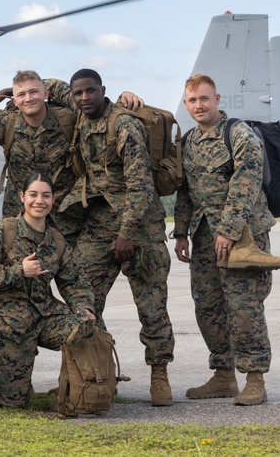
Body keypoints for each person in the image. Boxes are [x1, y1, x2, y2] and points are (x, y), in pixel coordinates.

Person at [47, 69, 176, 406]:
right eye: (78, 93)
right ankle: (97, 373)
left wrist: (127, 234)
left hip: (140, 227)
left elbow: (141, 185)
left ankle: (159, 375)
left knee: (152, 306)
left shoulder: (124, 125)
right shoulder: (78, 109)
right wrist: (11, 89)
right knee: (84, 298)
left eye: (90, 91)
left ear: (103, 90)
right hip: (100, 222)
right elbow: (52, 86)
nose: (84, 98)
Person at [174, 74, 280, 406]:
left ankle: (255, 378)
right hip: (203, 235)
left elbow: (246, 181)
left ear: (217, 99)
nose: (199, 105)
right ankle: (224, 375)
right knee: (207, 306)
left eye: (204, 98)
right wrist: (180, 232)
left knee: (244, 306)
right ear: (186, 104)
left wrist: (229, 229)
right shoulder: (189, 141)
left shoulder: (238, 133)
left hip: (243, 236)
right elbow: (185, 191)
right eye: (192, 100)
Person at [0, 173, 95, 408]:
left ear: (53, 199)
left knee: (84, 327)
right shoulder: (2, 232)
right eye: (33, 195)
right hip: (3, 322)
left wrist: (83, 308)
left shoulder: (56, 240)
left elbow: (75, 282)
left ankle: (75, 390)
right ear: (22, 197)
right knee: (13, 402)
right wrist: (18, 271)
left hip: (41, 316)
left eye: (46, 196)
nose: (39, 201)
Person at [0, 71, 83, 243]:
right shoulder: (5, 122)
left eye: (34, 92)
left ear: (46, 93)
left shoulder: (68, 119)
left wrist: (125, 96)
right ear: (14, 101)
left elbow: (100, 109)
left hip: (65, 219)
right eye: (21, 94)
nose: (28, 99)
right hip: (20, 221)